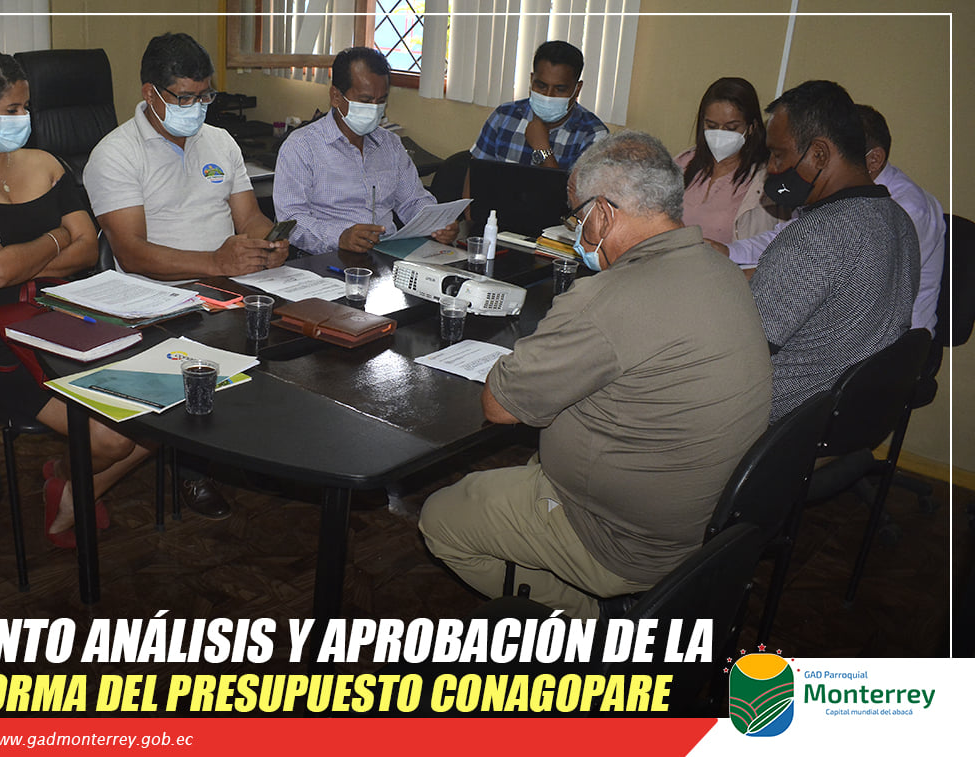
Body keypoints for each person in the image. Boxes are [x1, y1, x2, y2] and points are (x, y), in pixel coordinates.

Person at [418, 132, 772, 619]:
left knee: (441, 518)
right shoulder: (723, 269)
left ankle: (591, 619)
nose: (574, 230)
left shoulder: (605, 299)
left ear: (603, 214)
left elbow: (499, 406)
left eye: (576, 216)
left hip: (621, 539)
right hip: (707, 518)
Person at [0, 48, 153, 547]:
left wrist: (20, 255)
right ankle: (74, 480)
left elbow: (86, 250)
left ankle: (72, 486)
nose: (26, 118)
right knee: (115, 439)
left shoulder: (45, 164)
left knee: (165, 412)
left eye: (27, 106)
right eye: (13, 109)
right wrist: (56, 238)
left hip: (73, 320)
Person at [84, 32, 287, 518]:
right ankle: (195, 470)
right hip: (156, 303)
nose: (196, 108)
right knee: (201, 373)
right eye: (184, 98)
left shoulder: (220, 140)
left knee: (288, 348)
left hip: (228, 287)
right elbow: (132, 253)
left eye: (204, 96)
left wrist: (270, 241)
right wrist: (215, 263)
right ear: (150, 93)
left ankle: (250, 449)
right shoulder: (115, 153)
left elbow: (249, 218)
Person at [748, 81, 918, 422]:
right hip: (845, 419)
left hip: (777, 418)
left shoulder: (816, 235)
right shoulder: (900, 221)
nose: (772, 168)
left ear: (819, 155)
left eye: (778, 154)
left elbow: (743, 344)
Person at [725, 104, 943, 334]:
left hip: (883, 339)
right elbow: (788, 238)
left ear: (874, 160)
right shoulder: (838, 190)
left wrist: (758, 276)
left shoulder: (907, 211)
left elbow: (844, 281)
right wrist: (728, 253)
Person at [272, 47, 459, 255]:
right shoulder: (302, 146)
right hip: (328, 257)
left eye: (381, 101)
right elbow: (292, 220)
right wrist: (340, 237)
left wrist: (438, 223)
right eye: (365, 101)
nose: (375, 108)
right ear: (336, 96)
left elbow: (412, 201)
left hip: (387, 253)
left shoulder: (390, 144)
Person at [674, 77, 786, 245]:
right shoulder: (683, 163)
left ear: (752, 127)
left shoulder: (764, 180)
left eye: (731, 128)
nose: (720, 134)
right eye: (711, 126)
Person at [469, 40, 609, 172]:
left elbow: (569, 191)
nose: (548, 95)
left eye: (560, 89)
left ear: (577, 89)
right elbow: (475, 176)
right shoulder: (503, 117)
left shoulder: (593, 136)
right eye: (541, 86)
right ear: (531, 80)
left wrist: (542, 149)